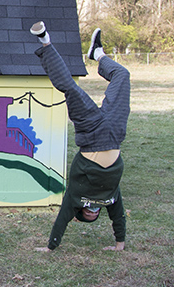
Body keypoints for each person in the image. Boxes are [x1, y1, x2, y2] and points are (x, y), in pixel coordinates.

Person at [30, 21, 128, 253]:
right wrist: (119, 245)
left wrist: (51, 248)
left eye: (88, 214)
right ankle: (98, 54)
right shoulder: (110, 197)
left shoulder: (75, 197)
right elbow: (119, 217)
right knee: (123, 74)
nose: (92, 213)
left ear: (81, 213)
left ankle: (45, 41)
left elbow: (62, 219)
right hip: (115, 133)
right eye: (95, 215)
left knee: (70, 88)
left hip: (92, 133)